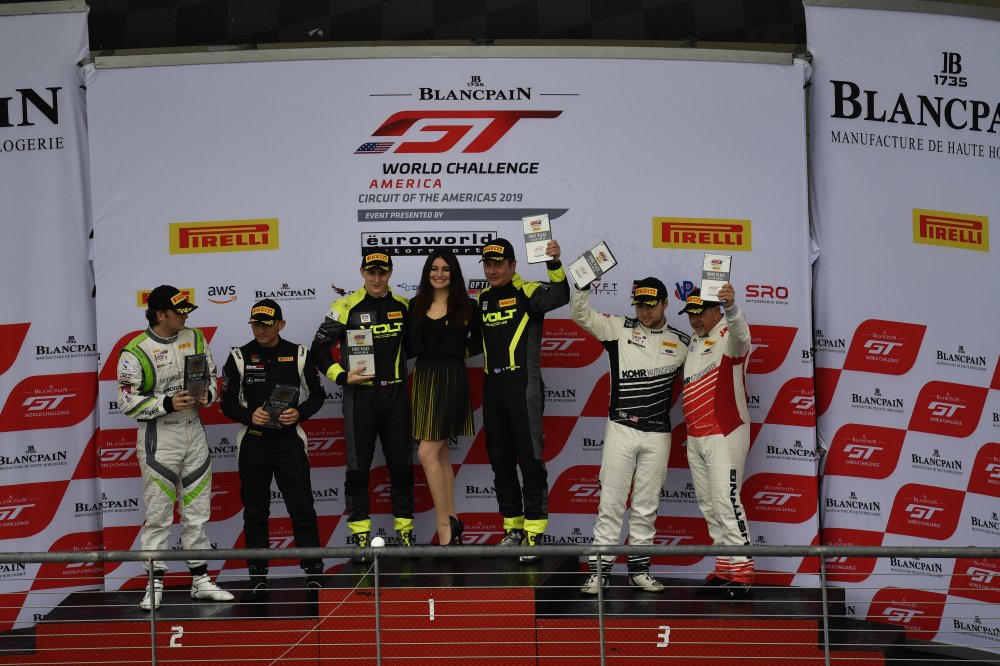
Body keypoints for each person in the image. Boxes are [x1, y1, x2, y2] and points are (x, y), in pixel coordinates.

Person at [116, 285, 235, 610]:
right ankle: (154, 583)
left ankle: (201, 580)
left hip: (194, 431)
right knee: (158, 515)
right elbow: (126, 402)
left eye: (186, 311)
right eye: (179, 312)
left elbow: (212, 377)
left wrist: (207, 395)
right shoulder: (135, 350)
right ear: (160, 314)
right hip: (160, 438)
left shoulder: (195, 337)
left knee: (198, 512)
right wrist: (167, 403)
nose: (185, 317)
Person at [570, 277, 689, 595]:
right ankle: (599, 572)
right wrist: (582, 285)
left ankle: (639, 570)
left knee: (646, 506)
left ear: (665, 303)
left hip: (658, 434)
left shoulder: (682, 342)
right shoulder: (618, 328)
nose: (645, 312)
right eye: (640, 305)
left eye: (651, 305)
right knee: (610, 502)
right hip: (621, 428)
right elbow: (580, 315)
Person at [220, 299, 325, 601]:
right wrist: (248, 415)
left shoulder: (299, 354)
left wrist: (299, 413)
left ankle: (314, 572)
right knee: (255, 511)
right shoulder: (239, 357)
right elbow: (226, 403)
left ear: (281, 324)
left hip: (290, 441)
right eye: (256, 324)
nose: (261, 329)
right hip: (253, 440)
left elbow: (318, 395)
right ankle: (257, 575)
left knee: (302, 507)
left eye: (267, 324)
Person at [312, 249, 414, 556]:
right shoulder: (345, 306)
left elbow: (419, 344)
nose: (377, 279)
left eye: (383, 272)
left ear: (390, 273)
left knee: (401, 465)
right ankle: (359, 534)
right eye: (372, 273)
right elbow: (319, 350)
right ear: (362, 273)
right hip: (361, 397)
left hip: (396, 394)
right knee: (358, 468)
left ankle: (405, 531)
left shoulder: (403, 305)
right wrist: (342, 376)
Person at [478, 237, 568, 562]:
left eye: (498, 264)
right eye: (488, 265)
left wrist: (554, 264)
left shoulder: (528, 291)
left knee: (530, 458)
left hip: (523, 384)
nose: (492, 270)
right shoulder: (483, 298)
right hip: (493, 387)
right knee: (499, 459)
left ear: (513, 265)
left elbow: (560, 295)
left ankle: (534, 531)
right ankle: (513, 528)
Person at [679, 284, 753, 598]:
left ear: (715, 311)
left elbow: (743, 337)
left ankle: (743, 573)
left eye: (700, 313)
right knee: (709, 504)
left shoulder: (729, 336)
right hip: (696, 436)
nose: (695, 319)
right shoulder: (694, 341)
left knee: (726, 500)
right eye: (690, 314)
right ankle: (725, 569)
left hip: (726, 432)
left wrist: (732, 308)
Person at [408, 250, 480, 546]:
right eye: (434, 268)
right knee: (439, 454)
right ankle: (453, 518)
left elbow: (479, 343)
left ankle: (444, 527)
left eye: (446, 269)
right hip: (424, 377)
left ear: (454, 273)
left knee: (426, 453)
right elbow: (408, 345)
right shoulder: (415, 304)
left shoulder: (468, 306)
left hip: (451, 378)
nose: (439, 274)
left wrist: (454, 354)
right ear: (427, 272)